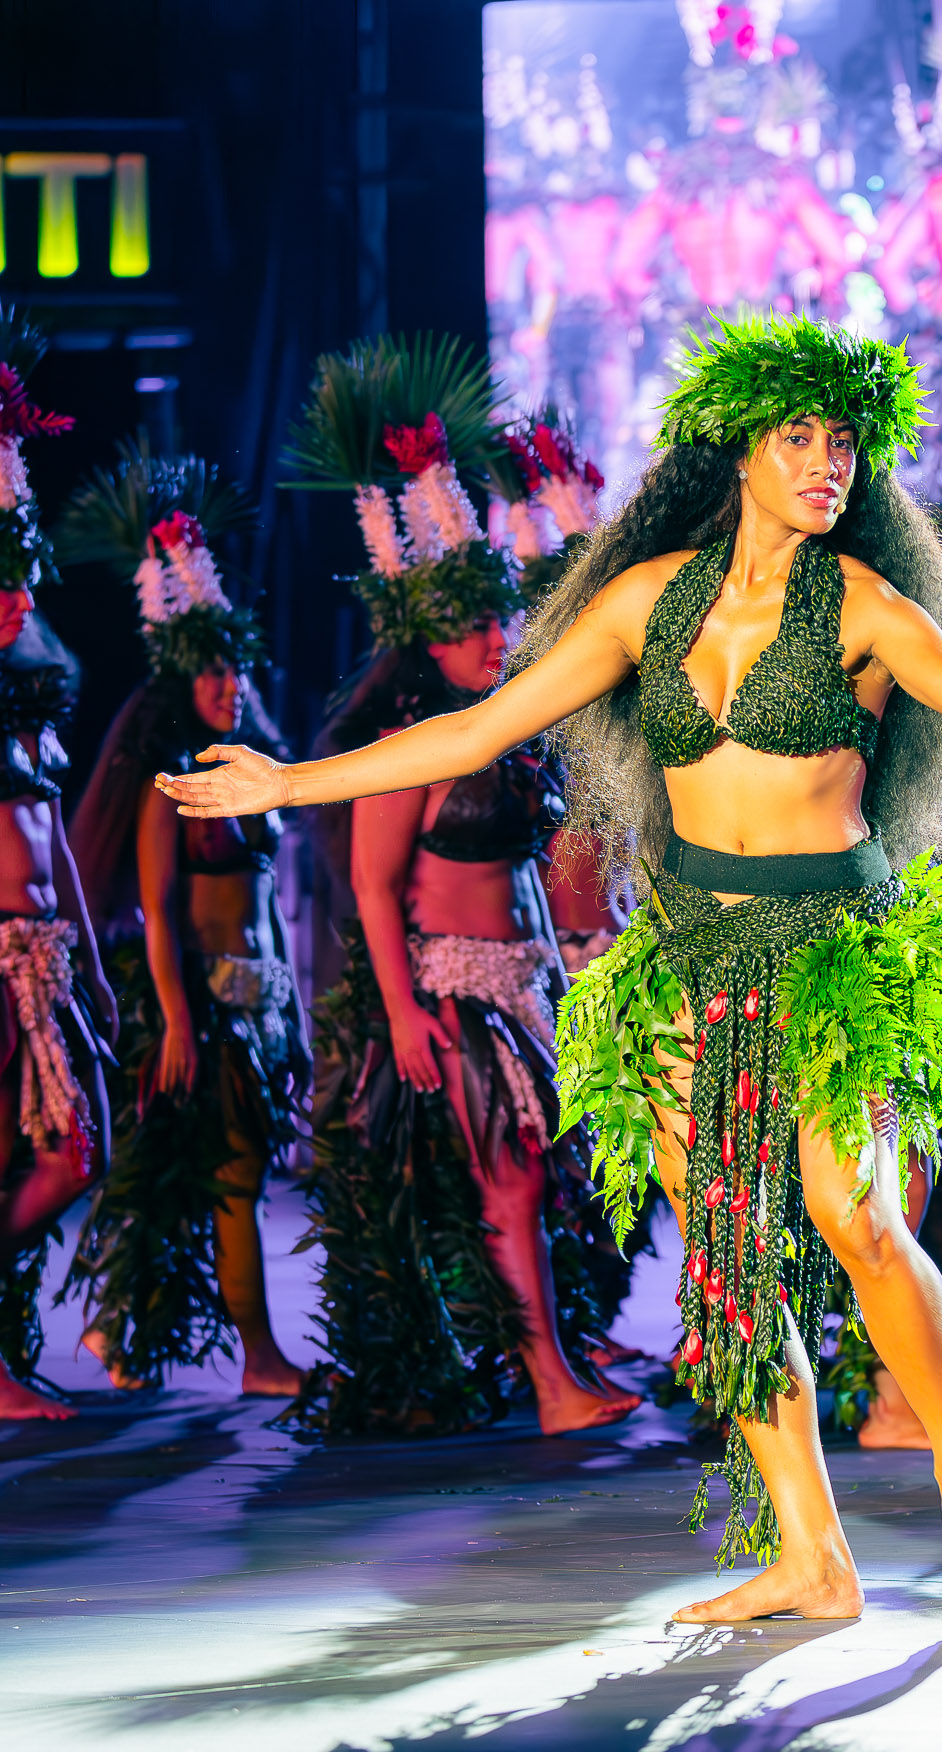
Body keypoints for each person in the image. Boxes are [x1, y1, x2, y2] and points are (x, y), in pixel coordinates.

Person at [158, 314, 942, 1620]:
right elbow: (477, 730)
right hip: (689, 958)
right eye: (799, 438)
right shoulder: (643, 601)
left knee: (855, 1217)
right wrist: (290, 782)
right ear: (741, 453)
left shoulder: (865, 603)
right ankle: (813, 1552)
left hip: (833, 949)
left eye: (843, 442)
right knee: (726, 1255)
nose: (826, 462)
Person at [291, 347, 639, 1434]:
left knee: (542, 1180)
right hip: (448, 990)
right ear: (421, 641)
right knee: (512, 1183)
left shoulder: (506, 733)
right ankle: (549, 1384)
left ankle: (554, 1361)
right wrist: (401, 1012)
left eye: (497, 623)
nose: (494, 639)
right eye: (468, 629)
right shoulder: (406, 745)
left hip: (525, 988)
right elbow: (371, 883)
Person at [58, 447, 309, 1394]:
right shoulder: (171, 787)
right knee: (226, 1174)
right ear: (180, 686)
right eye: (212, 676)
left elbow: (269, 909)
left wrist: (288, 1010)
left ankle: (116, 1329)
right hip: (198, 998)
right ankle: (259, 1359)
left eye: (236, 672)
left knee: (203, 1173)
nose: (229, 687)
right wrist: (173, 1022)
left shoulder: (249, 773)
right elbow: (160, 914)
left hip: (258, 1002)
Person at [0, 331, 115, 1420]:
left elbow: (59, 839)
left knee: (76, 1152)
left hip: (46, 957)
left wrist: (91, 965)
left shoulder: (29, 711)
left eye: (23, 579)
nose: (19, 599)